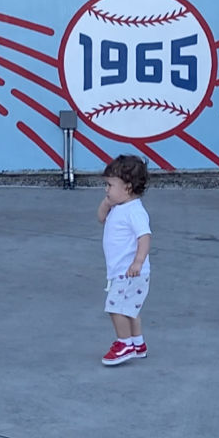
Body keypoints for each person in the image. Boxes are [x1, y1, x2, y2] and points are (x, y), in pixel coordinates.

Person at [96, 154, 153, 366]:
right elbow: (101, 218)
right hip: (121, 271)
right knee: (130, 310)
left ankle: (124, 343)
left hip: (129, 272)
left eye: (110, 185)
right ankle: (138, 344)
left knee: (115, 308)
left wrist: (138, 262)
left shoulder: (135, 211)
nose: (106, 189)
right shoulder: (118, 207)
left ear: (127, 187)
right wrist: (106, 202)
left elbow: (144, 237)